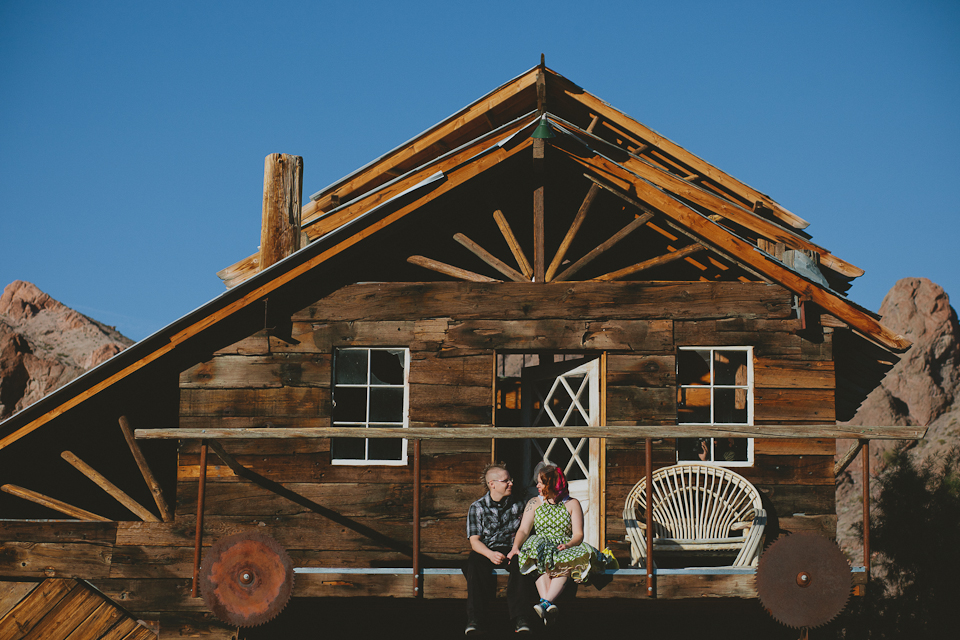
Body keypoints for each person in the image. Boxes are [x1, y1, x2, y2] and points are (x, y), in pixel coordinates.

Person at [509, 464, 600, 625]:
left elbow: (578, 534)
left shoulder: (572, 504)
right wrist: (515, 546)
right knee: (536, 559)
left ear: (552, 484)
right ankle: (547, 606)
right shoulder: (534, 502)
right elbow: (524, 529)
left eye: (541, 483)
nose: (537, 486)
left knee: (565, 563)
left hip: (563, 544)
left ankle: (545, 602)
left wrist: (569, 545)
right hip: (541, 543)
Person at [464, 463, 535, 635]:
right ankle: (475, 619)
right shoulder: (477, 507)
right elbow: (475, 541)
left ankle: (520, 618)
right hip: (488, 549)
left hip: (512, 548)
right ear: (492, 484)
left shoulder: (520, 504)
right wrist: (490, 554)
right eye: (506, 481)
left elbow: (524, 530)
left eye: (511, 480)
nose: (511, 483)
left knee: (522, 562)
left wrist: (515, 549)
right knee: (473, 564)